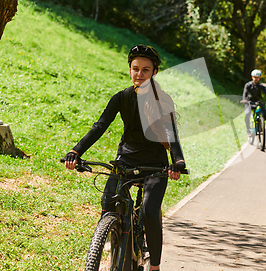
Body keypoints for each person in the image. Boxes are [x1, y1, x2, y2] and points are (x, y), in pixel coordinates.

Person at [63, 45, 185, 271]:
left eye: (145, 70)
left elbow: (172, 136)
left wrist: (178, 162)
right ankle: (112, 238)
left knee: (149, 211)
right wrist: (76, 151)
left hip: (154, 166)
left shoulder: (162, 100)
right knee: (108, 201)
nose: (139, 74)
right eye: (135, 69)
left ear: (155, 72)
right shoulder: (121, 98)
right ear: (130, 70)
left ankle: (155, 266)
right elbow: (99, 126)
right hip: (126, 160)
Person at [242, 69, 266, 141]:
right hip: (249, 102)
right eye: (255, 77)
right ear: (252, 77)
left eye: (258, 77)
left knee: (265, 114)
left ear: (260, 78)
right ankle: (248, 130)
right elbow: (244, 94)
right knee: (247, 114)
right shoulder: (248, 85)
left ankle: (260, 124)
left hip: (258, 102)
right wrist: (244, 100)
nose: (256, 79)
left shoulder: (261, 86)